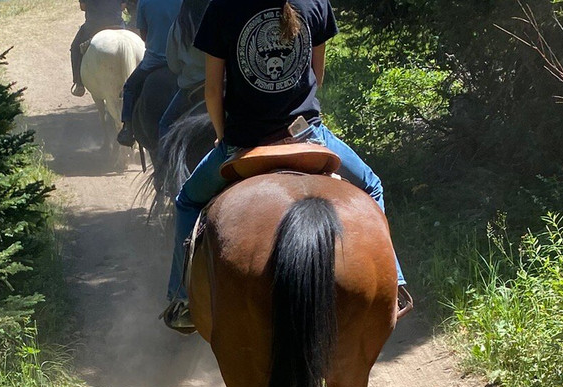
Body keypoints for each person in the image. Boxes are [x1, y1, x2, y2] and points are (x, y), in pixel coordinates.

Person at [161, 0, 411, 331]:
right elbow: (316, 74)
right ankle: (395, 284)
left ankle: (182, 298)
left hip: (245, 140)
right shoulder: (315, 2)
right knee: (372, 185)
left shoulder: (222, 6)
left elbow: (212, 91)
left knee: (187, 201)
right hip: (306, 133)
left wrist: (225, 138)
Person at [115, 0, 184, 146]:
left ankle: (128, 129)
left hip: (154, 61)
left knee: (130, 87)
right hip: (182, 60)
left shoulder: (145, 2)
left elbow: (144, 35)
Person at [159, 0, 210, 140]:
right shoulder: (219, 21)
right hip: (222, 83)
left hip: (192, 88)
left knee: (164, 124)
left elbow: (173, 66)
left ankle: (165, 154)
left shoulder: (180, 26)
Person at [71, 0, 127, 97]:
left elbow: (83, 7)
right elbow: (123, 6)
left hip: (94, 26)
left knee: (75, 48)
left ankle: (79, 83)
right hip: (117, 25)